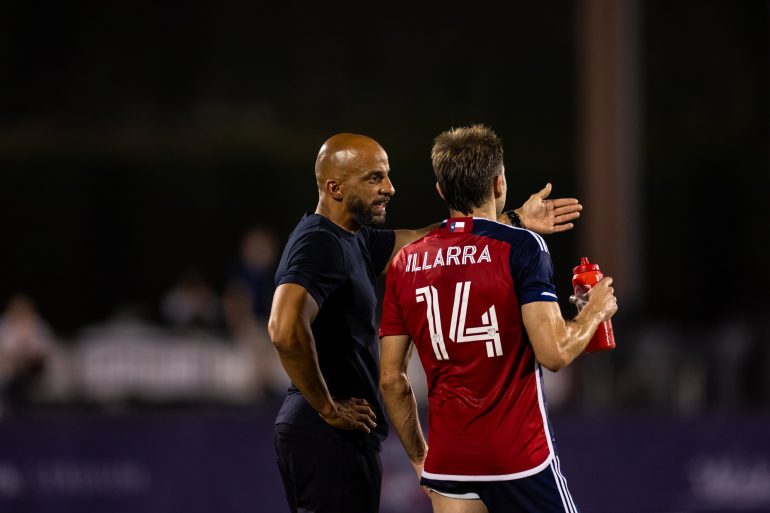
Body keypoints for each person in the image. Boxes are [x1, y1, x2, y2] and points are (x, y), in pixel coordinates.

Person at [268, 131, 583, 513]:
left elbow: (434, 240)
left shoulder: (354, 240)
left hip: (355, 434)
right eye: (374, 178)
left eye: (386, 175)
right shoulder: (317, 242)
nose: (389, 188)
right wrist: (328, 407)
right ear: (334, 188)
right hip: (324, 431)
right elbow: (283, 330)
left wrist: (511, 219)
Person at [379, 124, 618, 513]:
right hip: (520, 459)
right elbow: (554, 353)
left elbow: (391, 379)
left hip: (450, 463)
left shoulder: (405, 263)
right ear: (499, 183)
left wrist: (422, 459)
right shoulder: (523, 246)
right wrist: (595, 311)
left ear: (441, 191)